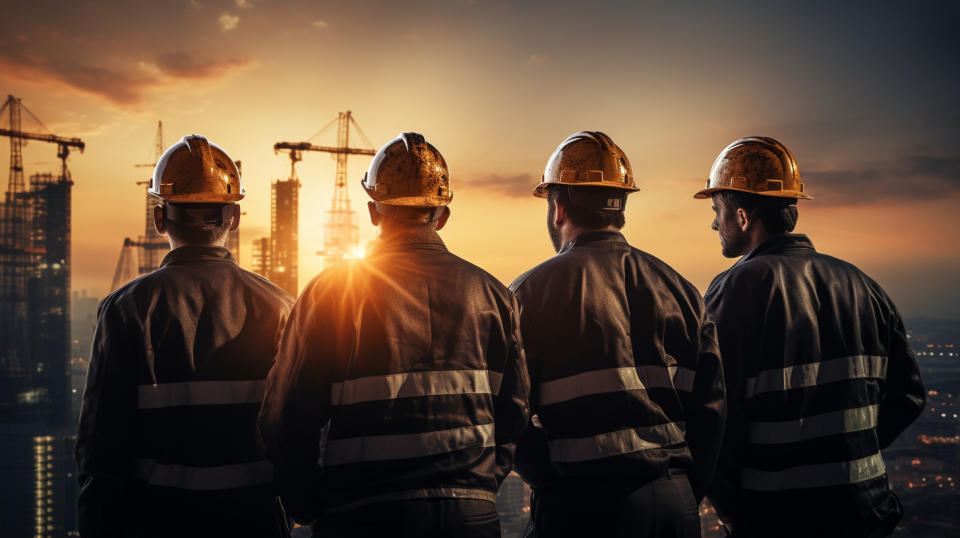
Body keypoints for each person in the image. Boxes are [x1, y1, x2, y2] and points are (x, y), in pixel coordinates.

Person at [258, 132, 530, 538]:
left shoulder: (332, 292)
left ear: (373, 211)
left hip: (364, 515)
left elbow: (285, 417)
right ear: (442, 214)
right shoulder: (493, 295)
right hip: (470, 517)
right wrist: (480, 488)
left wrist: (309, 505)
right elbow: (514, 412)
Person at [695, 136, 926, 537]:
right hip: (864, 512)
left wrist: (733, 510)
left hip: (777, 516)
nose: (715, 222)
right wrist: (848, 456)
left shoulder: (735, 291)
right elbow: (908, 397)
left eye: (718, 210)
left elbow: (710, 413)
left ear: (744, 216)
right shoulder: (864, 286)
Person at [76, 135, 294, 537]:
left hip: (157, 522)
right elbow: (297, 437)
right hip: (255, 523)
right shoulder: (281, 307)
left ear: (160, 219)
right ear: (234, 217)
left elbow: (101, 450)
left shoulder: (126, 309)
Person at [510, 131, 725, 538]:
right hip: (674, 503)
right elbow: (711, 410)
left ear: (558, 208)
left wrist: (550, 481)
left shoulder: (530, 293)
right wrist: (685, 490)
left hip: (581, 504)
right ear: (621, 207)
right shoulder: (680, 289)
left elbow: (509, 412)